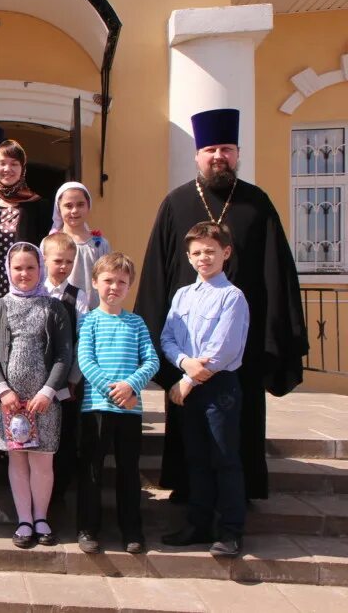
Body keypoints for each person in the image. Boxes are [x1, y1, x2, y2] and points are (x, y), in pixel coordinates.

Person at [135, 108, 308, 501]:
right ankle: (190, 496)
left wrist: (276, 332)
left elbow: (275, 272)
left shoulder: (256, 203)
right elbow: (158, 274)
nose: (218, 157)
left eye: (226, 150)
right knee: (189, 429)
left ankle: (237, 499)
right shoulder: (176, 203)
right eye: (211, 149)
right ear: (197, 155)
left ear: (237, 153)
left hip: (237, 352)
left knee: (237, 429)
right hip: (188, 347)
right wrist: (157, 344)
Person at [160, 222, 250, 557]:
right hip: (191, 385)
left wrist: (187, 380)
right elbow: (167, 337)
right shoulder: (183, 295)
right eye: (196, 252)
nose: (203, 258)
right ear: (188, 256)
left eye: (210, 251)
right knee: (196, 459)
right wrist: (184, 363)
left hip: (218, 388)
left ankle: (231, 531)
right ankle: (198, 524)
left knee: (224, 459)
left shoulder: (232, 297)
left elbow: (224, 348)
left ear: (225, 253)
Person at [0, 242, 72, 549]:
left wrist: (48, 391)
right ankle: (23, 520)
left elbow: (64, 354)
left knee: (42, 463)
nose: (24, 273)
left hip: (43, 402)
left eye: (30, 267)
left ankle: (41, 518)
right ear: (9, 270)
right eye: (18, 267)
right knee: (18, 461)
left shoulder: (54, 308)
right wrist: (3, 389)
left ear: (40, 269)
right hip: (9, 402)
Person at [76, 253, 159, 555]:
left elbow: (151, 361)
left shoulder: (136, 323)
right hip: (96, 408)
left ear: (129, 286)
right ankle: (87, 528)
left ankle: (132, 530)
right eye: (108, 280)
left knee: (128, 471)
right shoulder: (88, 321)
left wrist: (130, 385)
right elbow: (85, 361)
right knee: (92, 471)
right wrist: (112, 392)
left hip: (129, 410)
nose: (114, 287)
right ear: (96, 283)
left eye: (121, 282)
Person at [0, 139, 53, 303]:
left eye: (14, 164)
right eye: (2, 163)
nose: (7, 169)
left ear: (22, 169)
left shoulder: (39, 206)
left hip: (27, 286)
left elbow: (44, 251)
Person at [41, 232, 89, 503]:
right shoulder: (36, 292)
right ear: (45, 259)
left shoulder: (77, 296)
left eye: (69, 262)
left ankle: (59, 489)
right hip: (36, 375)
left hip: (65, 379)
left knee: (65, 432)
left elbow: (82, 339)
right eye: (58, 260)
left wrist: (73, 378)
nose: (63, 266)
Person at [48, 182, 110, 308]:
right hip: (60, 311)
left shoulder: (100, 244)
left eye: (80, 204)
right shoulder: (49, 243)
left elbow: (109, 277)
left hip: (93, 312)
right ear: (59, 208)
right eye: (68, 206)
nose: (75, 210)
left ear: (88, 206)